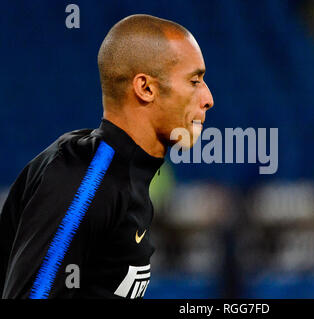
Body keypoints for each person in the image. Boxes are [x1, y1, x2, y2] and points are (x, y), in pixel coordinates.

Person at [0, 14, 214, 299]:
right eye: (195, 80)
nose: (208, 98)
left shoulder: (125, 174)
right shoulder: (86, 180)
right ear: (146, 88)